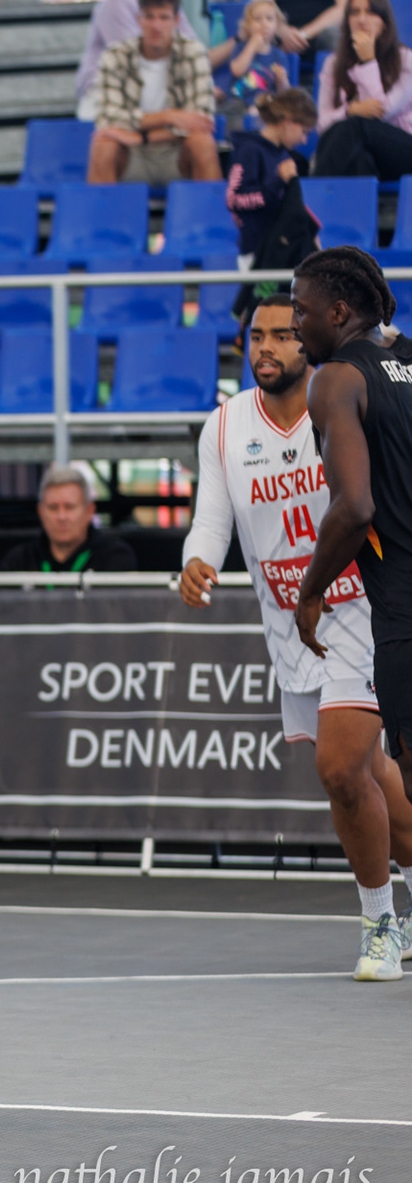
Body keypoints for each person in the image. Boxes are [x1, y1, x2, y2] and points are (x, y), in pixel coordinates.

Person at [182, 294, 412, 978]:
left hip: (362, 607)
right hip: (291, 621)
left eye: (283, 334)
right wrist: (197, 558)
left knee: (339, 767)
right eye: (258, 336)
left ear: (308, 339)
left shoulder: (342, 399)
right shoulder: (225, 426)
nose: (267, 347)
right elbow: (212, 519)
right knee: (372, 777)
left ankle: (379, 924)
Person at [292, 248, 412, 972]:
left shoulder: (336, 378)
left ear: (339, 312)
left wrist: (310, 589)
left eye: (302, 311)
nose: (296, 325)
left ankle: (384, 926)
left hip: (402, 608)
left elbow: (355, 505)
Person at [89, 0, 223, 186]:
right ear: (139, 20)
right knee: (102, 145)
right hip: (131, 154)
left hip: (176, 151)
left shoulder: (193, 53)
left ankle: (208, 207)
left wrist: (142, 137)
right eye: (149, 17)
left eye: (164, 17)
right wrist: (170, 116)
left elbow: (201, 121)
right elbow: (107, 119)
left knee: (202, 142)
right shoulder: (115, 55)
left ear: (176, 21)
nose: (156, 26)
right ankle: (103, 207)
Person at [76, 0, 206, 120]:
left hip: (154, 91)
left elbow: (194, 53)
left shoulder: (171, 6)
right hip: (108, 95)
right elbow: (136, 65)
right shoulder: (117, 3)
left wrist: (237, 40)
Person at [312, 0, 412, 181]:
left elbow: (381, 112)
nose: (362, 19)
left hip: (404, 148)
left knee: (355, 126)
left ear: (384, 22)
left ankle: (312, 191)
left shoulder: (406, 59)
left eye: (371, 12)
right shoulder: (333, 63)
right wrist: (350, 111)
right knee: (359, 160)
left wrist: (368, 61)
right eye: (355, 12)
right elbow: (322, 124)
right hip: (365, 151)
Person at [226, 87, 319, 268]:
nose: (304, 140)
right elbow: (234, 200)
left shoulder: (282, 154)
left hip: (279, 250)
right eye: (304, 132)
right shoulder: (249, 150)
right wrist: (277, 180)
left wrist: (310, 231)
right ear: (288, 122)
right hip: (256, 254)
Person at [0, 464, 140, 571]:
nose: (61, 516)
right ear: (40, 512)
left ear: (89, 511)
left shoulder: (115, 558)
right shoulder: (19, 561)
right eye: (53, 507)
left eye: (69, 507)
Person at [253, 0, 354, 79]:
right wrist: (283, 31)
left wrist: (302, 35)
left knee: (333, 36)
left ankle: (336, 87)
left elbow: (343, 8)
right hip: (280, 32)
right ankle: (259, 87)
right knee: (259, 32)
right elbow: (261, 4)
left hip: (320, 32)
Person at [215, 0, 294, 131]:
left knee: (277, 113)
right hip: (237, 102)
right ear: (248, 26)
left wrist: (282, 80)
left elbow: (283, 93)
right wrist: (252, 45)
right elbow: (237, 70)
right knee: (232, 115)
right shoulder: (241, 48)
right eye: (257, 19)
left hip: (265, 106)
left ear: (276, 25)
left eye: (269, 19)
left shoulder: (278, 55)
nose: (264, 23)